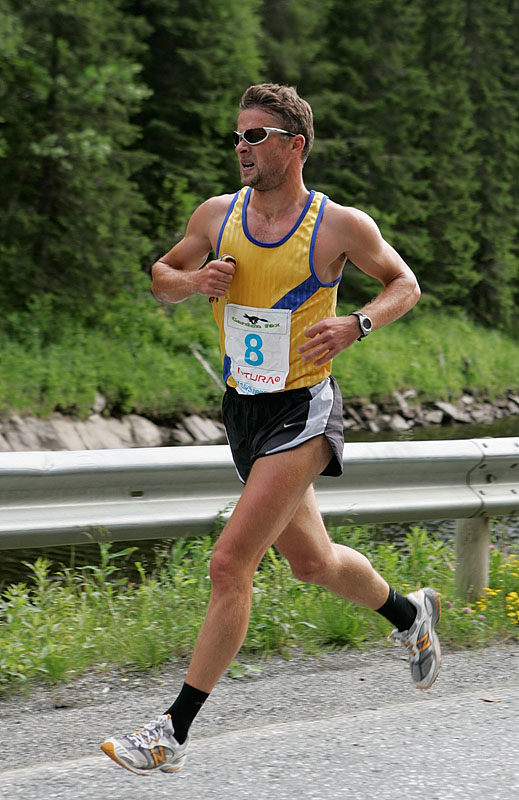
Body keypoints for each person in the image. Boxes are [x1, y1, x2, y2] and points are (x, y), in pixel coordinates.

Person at [100, 83, 441, 776]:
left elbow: (403, 283)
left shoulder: (338, 224)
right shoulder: (216, 216)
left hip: (303, 409)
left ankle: (171, 731)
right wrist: (193, 284)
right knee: (312, 563)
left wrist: (357, 323)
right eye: (237, 135)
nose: (241, 147)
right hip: (243, 409)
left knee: (230, 564)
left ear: (295, 145)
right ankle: (410, 616)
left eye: (256, 135)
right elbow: (162, 276)